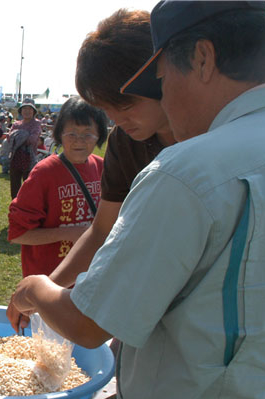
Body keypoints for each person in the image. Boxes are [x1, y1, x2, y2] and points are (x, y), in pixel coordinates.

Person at [8, 1, 265, 399]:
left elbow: (88, 322)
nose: (161, 95)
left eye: (162, 75)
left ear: (203, 59)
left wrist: (35, 287)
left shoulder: (188, 171)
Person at [49, 8, 177, 288]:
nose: (118, 120)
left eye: (126, 104)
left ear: (164, 75)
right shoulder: (124, 141)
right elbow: (102, 230)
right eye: (107, 109)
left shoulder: (210, 137)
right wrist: (51, 285)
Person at [7, 96, 107, 277]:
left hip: (92, 279)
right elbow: (17, 234)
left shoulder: (104, 168)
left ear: (99, 135)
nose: (79, 141)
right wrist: (70, 233)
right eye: (72, 134)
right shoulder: (44, 173)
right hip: (48, 283)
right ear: (59, 134)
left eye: (87, 134)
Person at [8, 98, 42, 199]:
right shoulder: (16, 124)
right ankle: (15, 207)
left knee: (29, 186)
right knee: (14, 186)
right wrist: (24, 135)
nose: (27, 111)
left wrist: (18, 136)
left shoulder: (36, 123)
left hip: (29, 159)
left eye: (30, 109)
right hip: (15, 158)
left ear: (34, 111)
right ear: (21, 111)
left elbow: (32, 139)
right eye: (24, 108)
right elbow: (10, 139)